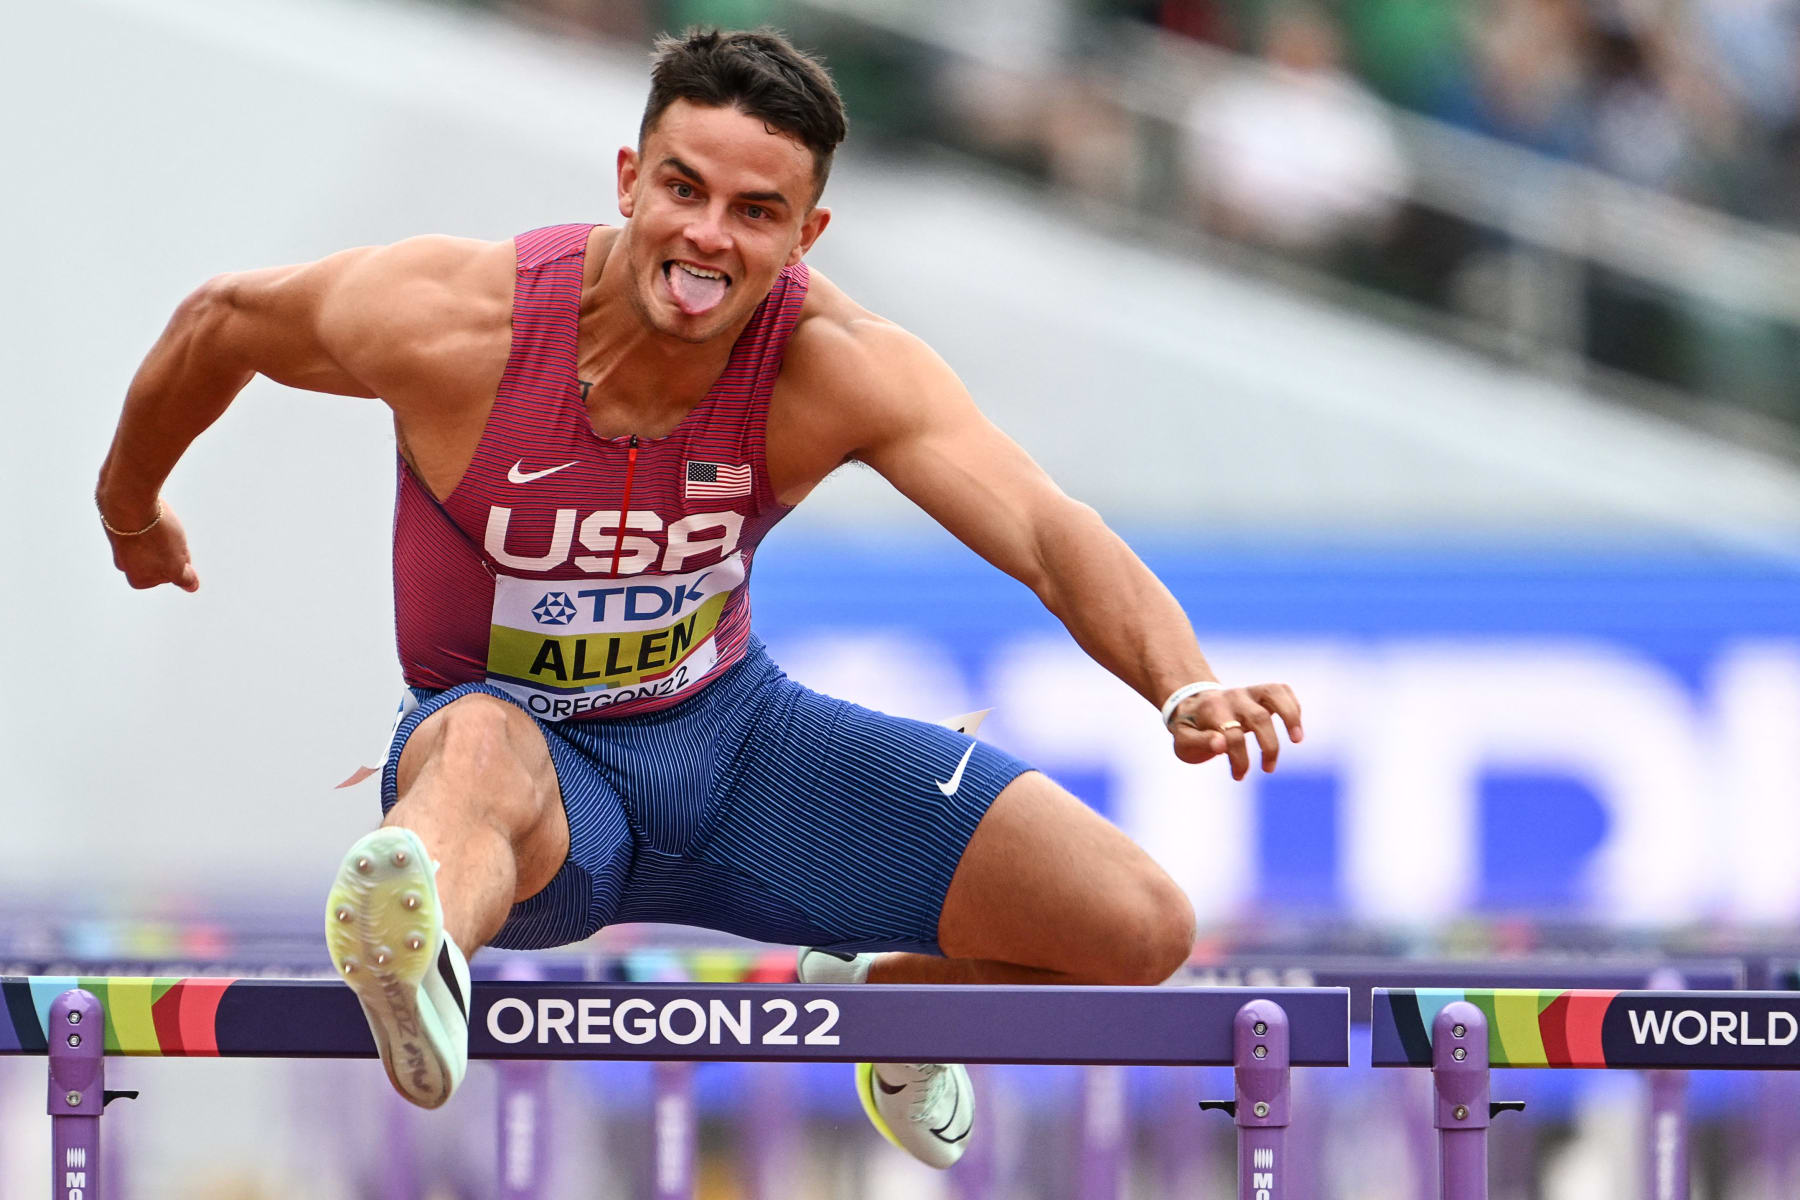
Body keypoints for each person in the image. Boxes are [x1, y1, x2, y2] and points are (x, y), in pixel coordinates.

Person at [95, 27, 1303, 1169]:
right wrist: (131, 511)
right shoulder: (459, 321)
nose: (707, 239)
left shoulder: (837, 364)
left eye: (756, 213)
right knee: (471, 741)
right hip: (534, 780)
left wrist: (1181, 682)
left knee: (1139, 927)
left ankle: (901, 1007)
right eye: (684, 190)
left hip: (737, 748)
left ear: (806, 232)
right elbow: (222, 322)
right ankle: (420, 963)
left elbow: (1045, 527)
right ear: (629, 178)